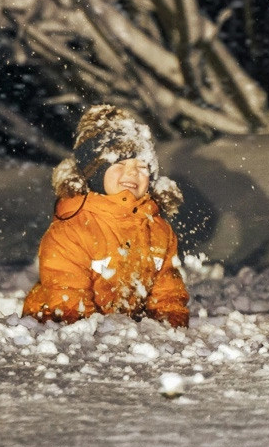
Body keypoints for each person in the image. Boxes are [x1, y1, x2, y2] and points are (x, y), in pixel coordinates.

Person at [22, 105, 189, 327]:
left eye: (142, 167)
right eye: (119, 164)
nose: (132, 172)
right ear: (95, 173)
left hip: (120, 328)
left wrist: (170, 323)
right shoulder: (73, 228)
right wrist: (87, 329)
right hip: (57, 323)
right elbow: (67, 292)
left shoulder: (158, 229)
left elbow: (168, 287)